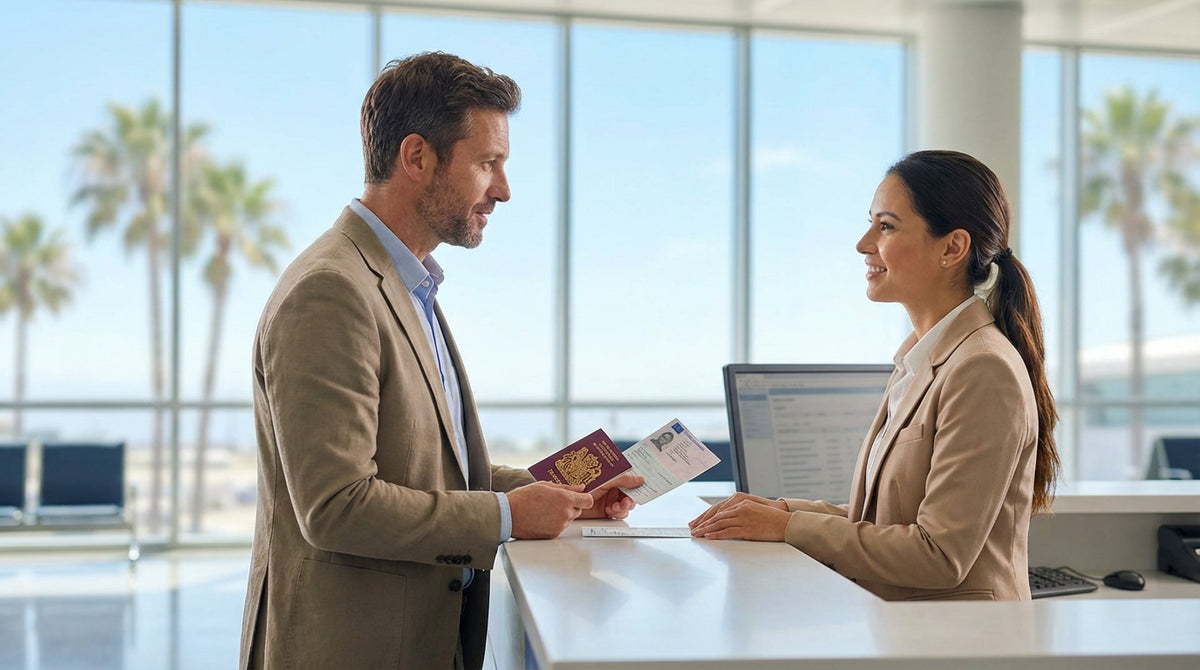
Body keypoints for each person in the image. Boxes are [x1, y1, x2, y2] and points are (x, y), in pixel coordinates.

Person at [239, 52, 642, 670]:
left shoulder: (408, 286)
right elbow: (337, 506)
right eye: (488, 164)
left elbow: (430, 468)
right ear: (417, 157)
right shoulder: (331, 290)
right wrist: (508, 515)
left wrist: (558, 491)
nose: (503, 190)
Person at [690, 149, 1060, 601]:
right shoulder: (919, 357)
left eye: (886, 226)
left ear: (952, 248)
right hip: (901, 629)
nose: (864, 243)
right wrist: (781, 510)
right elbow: (883, 519)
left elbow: (939, 554)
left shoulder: (983, 369)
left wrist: (787, 527)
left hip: (962, 642)